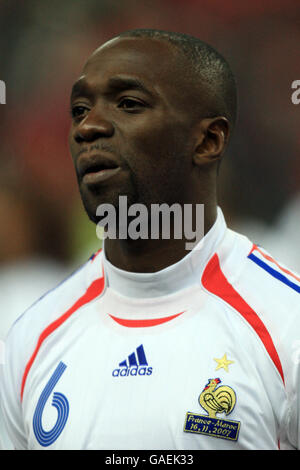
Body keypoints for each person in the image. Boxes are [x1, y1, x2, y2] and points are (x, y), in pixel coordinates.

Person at [1, 28, 300, 450]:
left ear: (209, 139)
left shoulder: (287, 325)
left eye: (128, 104)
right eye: (80, 109)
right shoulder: (30, 339)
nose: (89, 127)